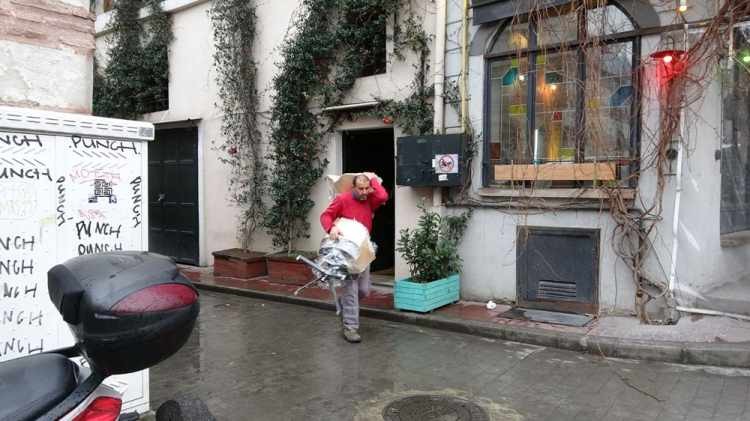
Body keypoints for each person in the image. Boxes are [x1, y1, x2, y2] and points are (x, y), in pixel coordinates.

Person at [320, 172, 388, 343]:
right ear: (353, 187)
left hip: (364, 249)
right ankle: (350, 327)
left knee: (363, 290)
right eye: (361, 189)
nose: (364, 192)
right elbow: (325, 216)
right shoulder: (343, 199)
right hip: (347, 250)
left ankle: (344, 305)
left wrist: (372, 178)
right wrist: (331, 229)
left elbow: (383, 195)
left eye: (367, 188)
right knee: (351, 288)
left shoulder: (370, 200)